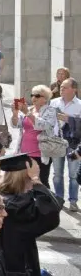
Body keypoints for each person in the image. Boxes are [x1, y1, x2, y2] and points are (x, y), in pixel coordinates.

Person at [11, 84, 56, 185]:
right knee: (25, 183)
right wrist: (15, 114)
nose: (33, 98)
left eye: (37, 95)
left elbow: (43, 125)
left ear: (45, 99)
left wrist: (27, 113)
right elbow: (16, 125)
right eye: (32, 95)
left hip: (40, 154)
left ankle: (44, 201)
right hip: (24, 153)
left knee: (41, 182)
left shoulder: (50, 110)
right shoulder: (30, 109)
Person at [50, 78, 81, 210]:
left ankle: (73, 201)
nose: (61, 89)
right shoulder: (53, 102)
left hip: (73, 144)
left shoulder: (79, 104)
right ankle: (59, 198)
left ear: (74, 89)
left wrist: (69, 119)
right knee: (57, 174)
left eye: (65, 87)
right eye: (61, 87)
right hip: (56, 141)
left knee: (73, 174)